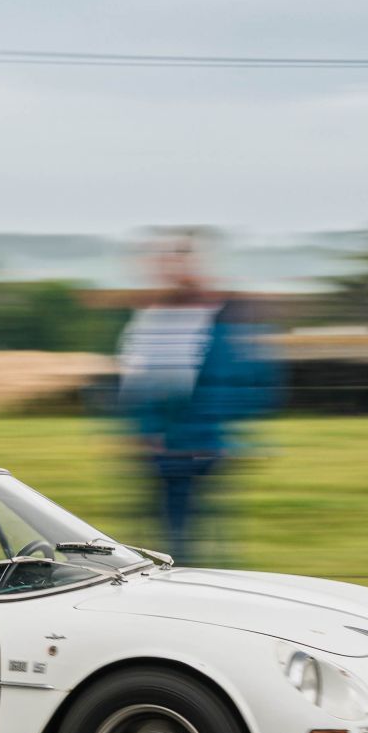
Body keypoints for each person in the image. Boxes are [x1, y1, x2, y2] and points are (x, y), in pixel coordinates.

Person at [115, 230, 282, 564]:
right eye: (163, 263)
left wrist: (204, 431)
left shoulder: (224, 319)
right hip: (161, 453)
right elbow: (136, 385)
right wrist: (140, 431)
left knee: (184, 542)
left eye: (178, 262)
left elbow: (253, 383)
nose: (169, 272)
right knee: (167, 542)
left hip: (197, 448)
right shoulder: (152, 318)